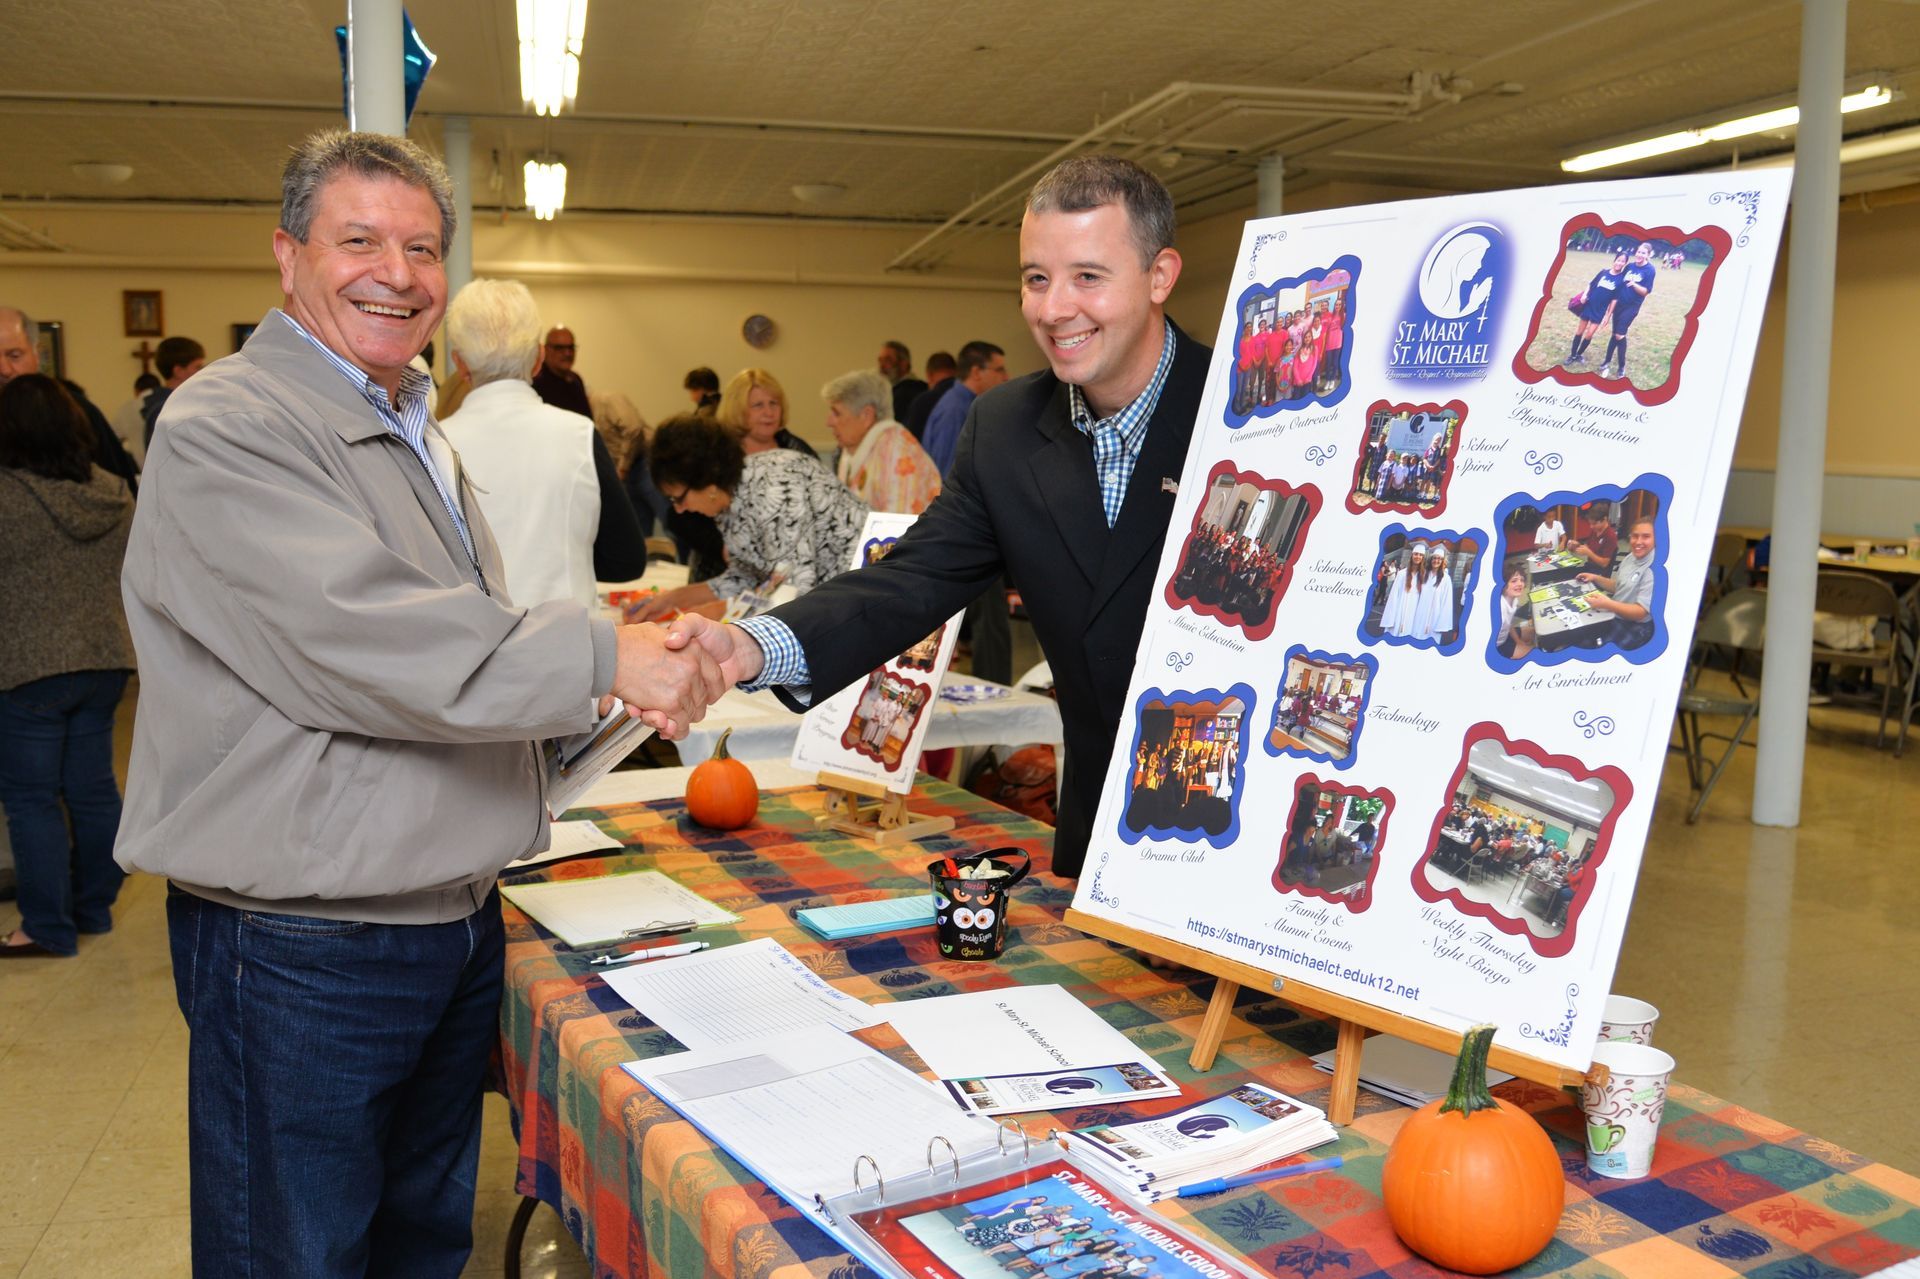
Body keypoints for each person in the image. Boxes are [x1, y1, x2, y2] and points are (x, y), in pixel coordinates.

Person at [114, 130, 722, 1277]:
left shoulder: (411, 425)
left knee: (419, 1242)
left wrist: (617, 658)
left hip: (444, 919)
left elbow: (459, 626)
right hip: (305, 940)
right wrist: (602, 651)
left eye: (422, 247)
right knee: (296, 1252)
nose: (396, 272)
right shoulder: (229, 426)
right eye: (359, 241)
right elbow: (366, 635)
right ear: (287, 255)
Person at [670, 154, 1203, 879]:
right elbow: (910, 580)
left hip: (1242, 842)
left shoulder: (1252, 413)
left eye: (1088, 276)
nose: (1052, 309)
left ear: (1160, 275)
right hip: (1100, 839)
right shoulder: (1007, 428)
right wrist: (751, 647)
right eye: (1035, 278)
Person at [0, 374, 136, 958]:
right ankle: (93, 911)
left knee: (32, 800)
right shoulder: (112, 489)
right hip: (105, 660)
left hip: (28, 667)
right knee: (94, 790)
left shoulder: (6, 495)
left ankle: (46, 928)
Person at [439, 278, 601, 608]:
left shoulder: (432, 443)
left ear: (460, 365)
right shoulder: (580, 434)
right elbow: (626, 558)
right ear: (539, 358)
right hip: (574, 645)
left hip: (475, 645)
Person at [635, 414, 869, 619]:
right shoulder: (728, 500)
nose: (679, 509)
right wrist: (674, 599)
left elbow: (795, 588)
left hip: (862, 595)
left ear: (707, 484)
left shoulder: (775, 488)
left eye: (679, 498)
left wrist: (720, 610)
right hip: (834, 600)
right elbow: (744, 577)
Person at [0, 306, 140, 494]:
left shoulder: (75, 408)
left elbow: (121, 487)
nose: (5, 369)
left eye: (15, 356)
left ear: (37, 354)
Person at [822, 367, 942, 514]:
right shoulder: (852, 450)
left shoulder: (898, 453)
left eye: (836, 413)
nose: (828, 422)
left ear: (866, 415)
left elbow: (898, 532)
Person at [922, 340, 1009, 477]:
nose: (1006, 377)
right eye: (999, 370)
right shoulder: (954, 410)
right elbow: (945, 474)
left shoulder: (967, 405)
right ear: (976, 373)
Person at [1578, 517, 1658, 649]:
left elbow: (1641, 612)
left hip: (1636, 627)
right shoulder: (1629, 558)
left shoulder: (1654, 569)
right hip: (1616, 614)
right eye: (1635, 536)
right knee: (1582, 634)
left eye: (1646, 537)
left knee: (1597, 650)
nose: (1638, 542)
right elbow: (1618, 587)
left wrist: (1608, 604)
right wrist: (1595, 577)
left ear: (1656, 539)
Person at [718, 366, 818, 459]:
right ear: (738, 410)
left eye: (773, 403)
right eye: (758, 405)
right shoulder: (721, 454)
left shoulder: (798, 450)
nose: (769, 413)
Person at [1599, 242, 1658, 379]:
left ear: (1648, 255)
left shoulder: (1650, 270)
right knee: (1615, 334)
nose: (1640, 254)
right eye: (1638, 251)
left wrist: (1634, 285)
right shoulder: (1630, 266)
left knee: (1620, 335)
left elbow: (1645, 291)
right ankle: (1607, 361)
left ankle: (1621, 367)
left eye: (1643, 253)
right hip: (1619, 303)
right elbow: (1619, 279)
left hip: (1632, 306)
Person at [141, 335, 210, 445]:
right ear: (179, 371)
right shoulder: (167, 408)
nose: (202, 372)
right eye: (198, 367)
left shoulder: (174, 403)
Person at [1564, 251, 1627, 367]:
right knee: (1579, 332)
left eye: (1623, 261)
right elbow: (1591, 284)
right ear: (1614, 260)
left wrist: (1608, 315)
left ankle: (1579, 354)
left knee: (1589, 334)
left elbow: (1614, 299)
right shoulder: (1603, 272)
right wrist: (1584, 295)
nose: (1620, 263)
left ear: (1625, 264)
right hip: (1589, 305)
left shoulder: (1621, 280)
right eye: (1618, 260)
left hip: (1600, 311)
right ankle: (1572, 355)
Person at [531, 324, 591, 417]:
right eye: (559, 348)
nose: (567, 353)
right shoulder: (535, 380)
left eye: (571, 347)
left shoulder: (575, 380)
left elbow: (587, 418)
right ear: (546, 349)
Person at [109, 371, 161, 469]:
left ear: (136, 391)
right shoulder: (166, 402)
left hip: (142, 471)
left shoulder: (126, 409)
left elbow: (112, 439)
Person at [902, 350, 957, 440]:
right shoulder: (970, 397)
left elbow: (909, 438)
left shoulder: (923, 402)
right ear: (956, 372)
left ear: (929, 375)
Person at [878, 338, 926, 424]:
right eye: (880, 360)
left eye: (888, 360)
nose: (881, 366)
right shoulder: (923, 389)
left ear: (903, 364)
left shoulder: (905, 394)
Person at [1494, 564, 1536, 660]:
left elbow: (1508, 625)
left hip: (1505, 636)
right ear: (1503, 585)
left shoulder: (1514, 600)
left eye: (1521, 580)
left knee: (1534, 632)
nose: (1520, 584)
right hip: (1497, 647)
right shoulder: (1499, 608)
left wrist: (1518, 641)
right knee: (1534, 653)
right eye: (1514, 581)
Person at [1568, 506, 1619, 573]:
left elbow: (1604, 564)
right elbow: (1589, 547)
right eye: (1590, 523)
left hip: (1600, 572)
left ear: (1604, 519)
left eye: (1594, 524)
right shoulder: (1595, 530)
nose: (1591, 526)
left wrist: (1588, 553)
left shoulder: (1610, 536)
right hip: (1589, 567)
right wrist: (1577, 546)